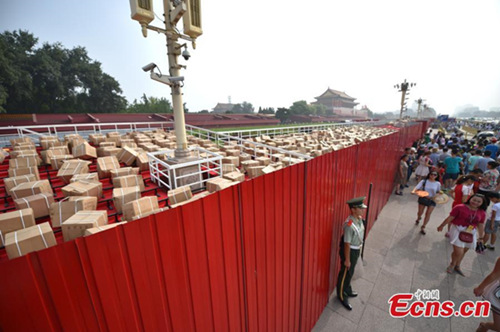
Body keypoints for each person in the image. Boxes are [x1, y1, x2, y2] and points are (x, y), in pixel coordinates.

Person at [437, 194, 487, 276]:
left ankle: (457, 265)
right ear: (470, 199)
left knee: (464, 251)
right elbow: (451, 217)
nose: (475, 202)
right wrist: (442, 225)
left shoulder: (482, 212)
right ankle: (452, 264)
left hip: (471, 232)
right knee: (459, 251)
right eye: (474, 200)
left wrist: (481, 237)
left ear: (482, 203)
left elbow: (480, 224)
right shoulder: (459, 207)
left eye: (479, 201)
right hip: (457, 229)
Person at [337, 197, 367, 311]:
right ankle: (341, 295)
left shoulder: (358, 219)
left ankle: (347, 289)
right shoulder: (349, 225)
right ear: (353, 209)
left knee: (350, 272)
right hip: (349, 251)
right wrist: (347, 259)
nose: (362, 210)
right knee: (345, 273)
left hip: (355, 250)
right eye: (360, 208)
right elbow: (347, 244)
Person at [474, 257, 500, 332]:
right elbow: (495, 274)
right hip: (498, 299)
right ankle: (485, 326)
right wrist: (480, 288)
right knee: (499, 327)